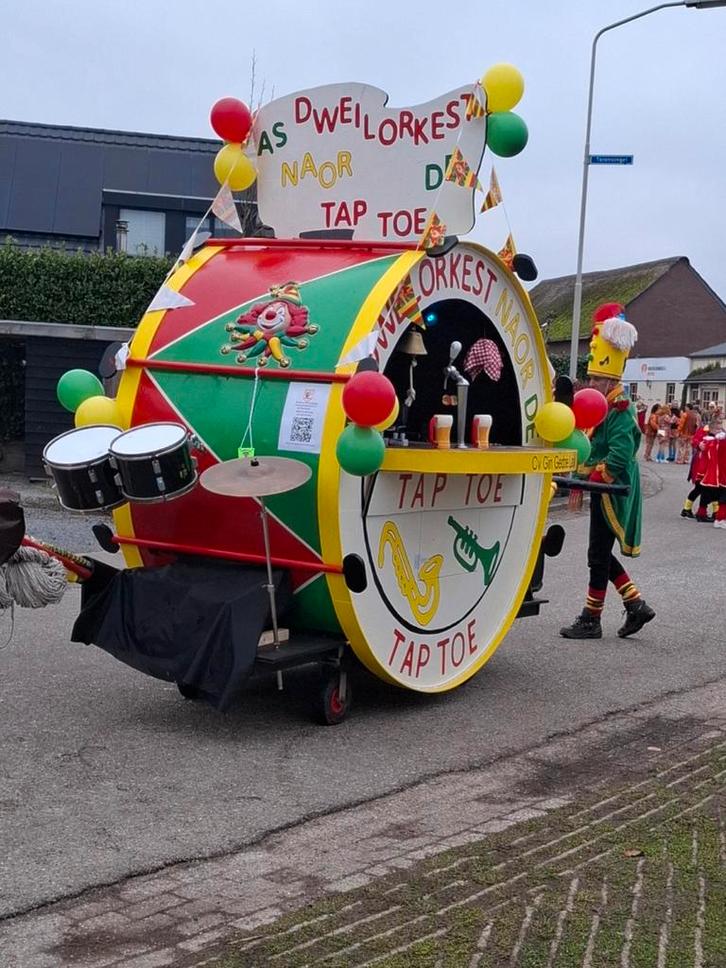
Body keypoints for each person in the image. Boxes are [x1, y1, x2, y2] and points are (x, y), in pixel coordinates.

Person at [561, 302, 655, 640]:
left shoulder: (620, 408)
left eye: (597, 378)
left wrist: (598, 477)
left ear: (611, 378)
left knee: (597, 554)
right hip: (602, 488)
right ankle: (634, 605)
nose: (591, 382)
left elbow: (620, 452)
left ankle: (592, 619)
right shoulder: (602, 405)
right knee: (599, 553)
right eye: (591, 377)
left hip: (613, 490)